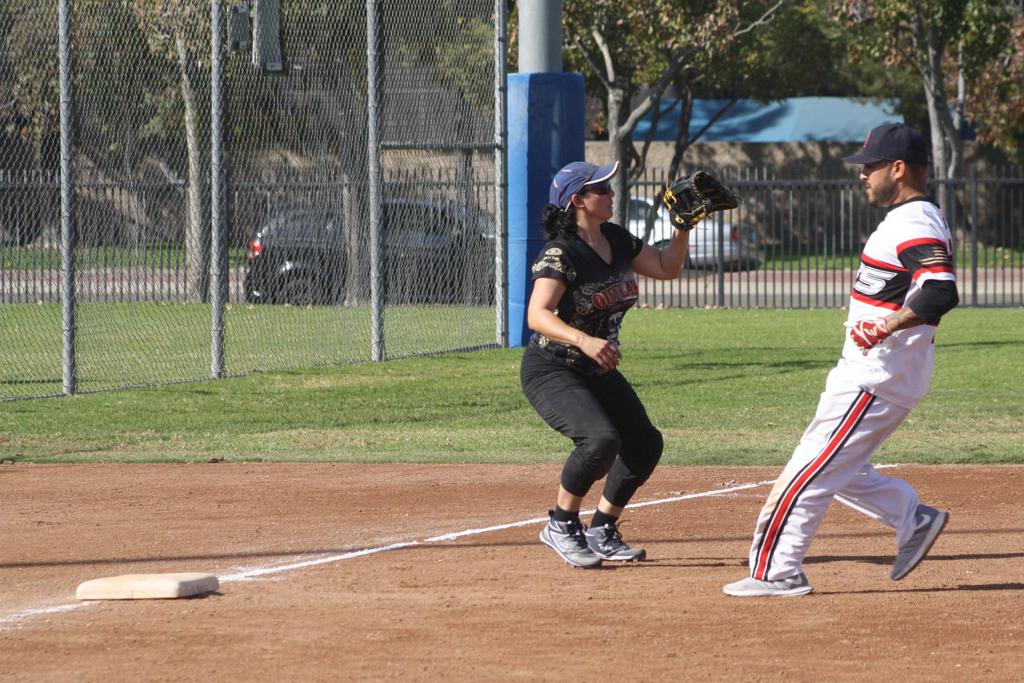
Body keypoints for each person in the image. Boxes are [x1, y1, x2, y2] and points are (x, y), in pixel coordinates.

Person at [723, 122, 960, 597]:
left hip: (876, 375)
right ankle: (911, 517)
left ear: (898, 168)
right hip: (872, 373)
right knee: (838, 466)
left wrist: (886, 325)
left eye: (869, 166)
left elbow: (941, 290)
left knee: (807, 472)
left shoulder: (915, 221)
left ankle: (777, 571)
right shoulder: (907, 219)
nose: (862, 175)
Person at [522, 159, 693, 569]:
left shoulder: (614, 238)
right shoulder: (562, 252)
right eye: (602, 189)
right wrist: (583, 338)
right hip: (553, 368)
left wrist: (683, 228)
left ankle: (601, 528)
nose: (611, 194)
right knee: (600, 441)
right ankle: (561, 524)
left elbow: (667, 268)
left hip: (596, 367)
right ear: (577, 200)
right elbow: (537, 314)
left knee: (645, 443)